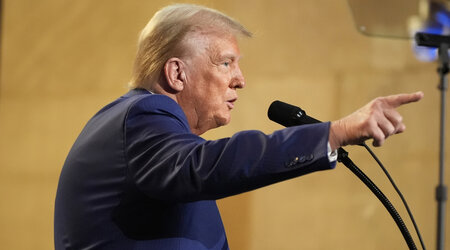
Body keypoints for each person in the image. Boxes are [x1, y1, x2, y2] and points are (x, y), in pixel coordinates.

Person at [54, 3, 423, 250]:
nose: (240, 80)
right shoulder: (143, 115)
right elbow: (205, 167)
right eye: (226, 63)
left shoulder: (152, 135)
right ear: (176, 72)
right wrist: (334, 132)